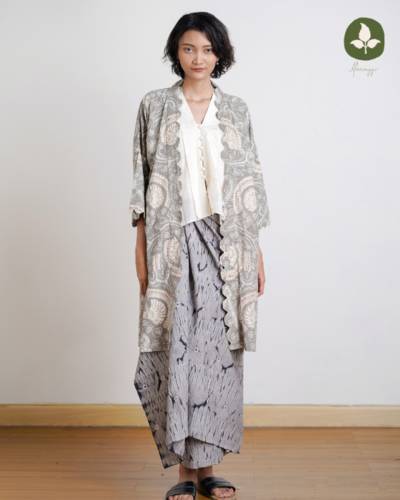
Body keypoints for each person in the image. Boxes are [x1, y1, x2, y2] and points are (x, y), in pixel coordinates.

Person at [130, 11, 270, 500]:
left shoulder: (236, 110)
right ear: (176, 51)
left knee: (217, 356)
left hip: (227, 244)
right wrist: (141, 248)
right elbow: (142, 180)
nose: (199, 58)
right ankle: (184, 474)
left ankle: (208, 467)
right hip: (171, 242)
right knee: (176, 351)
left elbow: (250, 186)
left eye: (208, 50)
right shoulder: (154, 106)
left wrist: (255, 256)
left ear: (219, 55)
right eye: (189, 48)